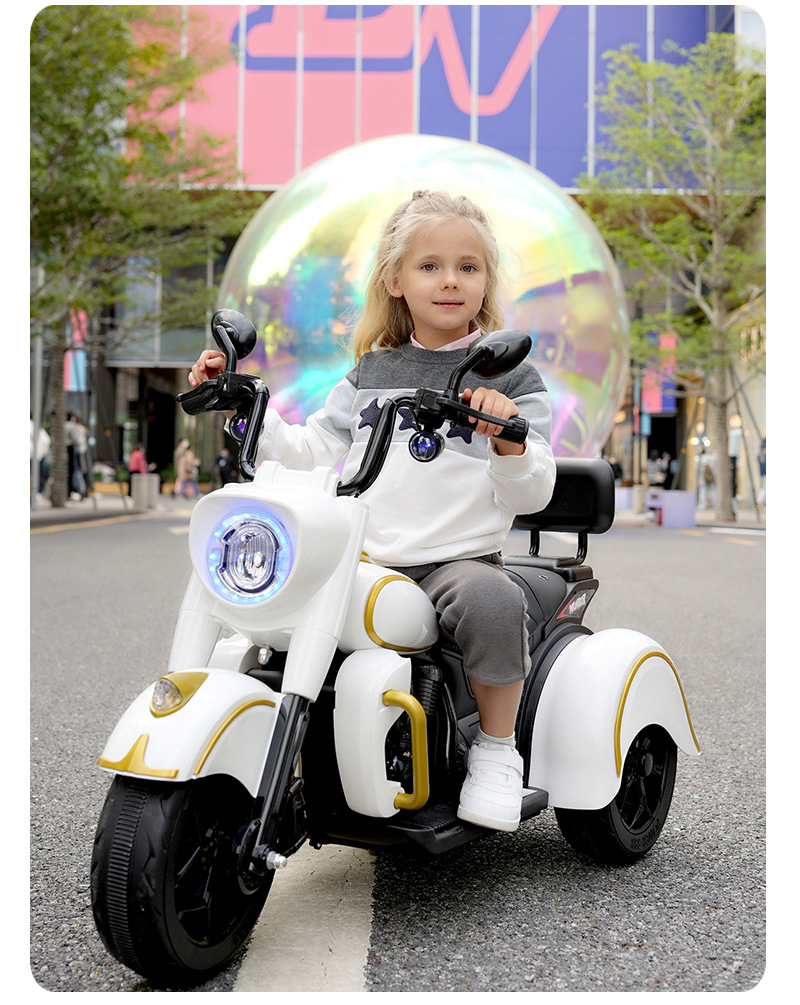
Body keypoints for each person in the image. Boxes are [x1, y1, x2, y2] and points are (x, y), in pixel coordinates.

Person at [188, 190, 556, 832]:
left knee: (494, 600)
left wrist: (509, 440)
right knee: (265, 603)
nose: (450, 280)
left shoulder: (510, 377)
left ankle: (497, 750)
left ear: (486, 281)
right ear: (395, 280)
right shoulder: (371, 371)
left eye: (467, 267)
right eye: (429, 266)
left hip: (455, 562)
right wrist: (241, 404)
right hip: (361, 558)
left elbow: (533, 494)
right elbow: (309, 450)